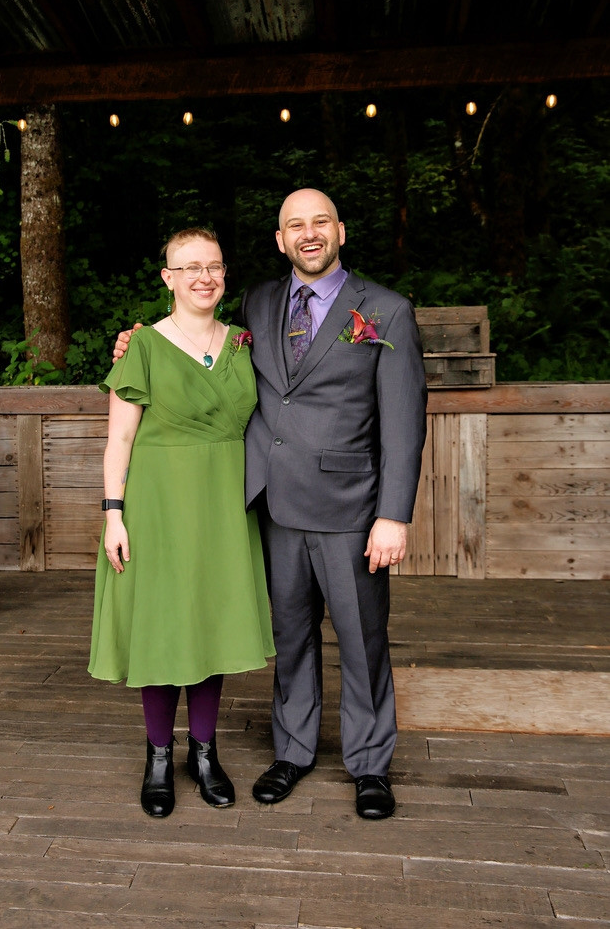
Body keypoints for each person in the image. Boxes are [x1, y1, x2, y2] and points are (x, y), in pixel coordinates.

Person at [114, 190, 426, 820]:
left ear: (340, 230)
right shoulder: (256, 303)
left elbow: (404, 421)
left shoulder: (385, 311)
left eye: (319, 223)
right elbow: (193, 340)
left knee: (363, 641)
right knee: (291, 637)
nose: (308, 235)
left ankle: (369, 765)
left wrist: (393, 514)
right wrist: (135, 339)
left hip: (351, 508)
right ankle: (293, 751)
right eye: (294, 226)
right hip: (270, 505)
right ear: (280, 240)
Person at [90, 227, 274, 819]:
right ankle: (158, 759)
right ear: (167, 277)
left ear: (225, 274)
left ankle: (205, 754)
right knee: (164, 628)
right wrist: (113, 515)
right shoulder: (142, 347)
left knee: (211, 628)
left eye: (214, 266)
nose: (204, 277)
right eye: (189, 267)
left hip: (224, 507)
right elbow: (120, 437)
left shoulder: (245, 343)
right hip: (159, 506)